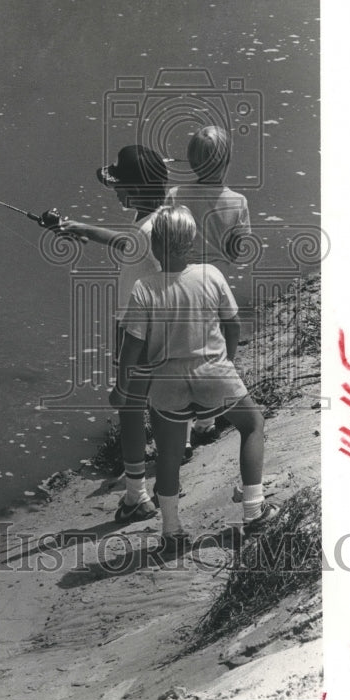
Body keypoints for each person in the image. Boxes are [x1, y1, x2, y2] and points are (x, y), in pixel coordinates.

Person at [111, 205, 277, 558]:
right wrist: (227, 360)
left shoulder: (143, 288)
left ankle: (172, 532)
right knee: (252, 424)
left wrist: (122, 389)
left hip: (167, 385)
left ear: (154, 247)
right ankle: (254, 509)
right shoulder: (210, 274)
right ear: (191, 244)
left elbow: (132, 348)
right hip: (214, 375)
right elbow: (232, 324)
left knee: (169, 458)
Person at [59, 144, 167, 524]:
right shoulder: (166, 218)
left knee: (129, 407)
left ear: (134, 190)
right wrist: (85, 229)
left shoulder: (147, 231)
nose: (116, 192)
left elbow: (146, 255)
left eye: (120, 186)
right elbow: (131, 243)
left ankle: (137, 496)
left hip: (136, 329)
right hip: (166, 328)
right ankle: (167, 483)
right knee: (162, 405)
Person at [166, 125, 252, 456]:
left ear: (190, 163)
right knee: (210, 355)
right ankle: (205, 423)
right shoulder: (238, 201)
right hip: (214, 286)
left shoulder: (175, 195)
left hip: (180, 283)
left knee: (179, 355)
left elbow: (166, 236)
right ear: (227, 160)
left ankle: (182, 433)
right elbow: (237, 252)